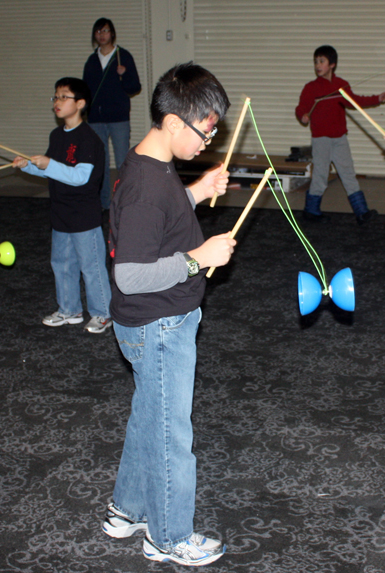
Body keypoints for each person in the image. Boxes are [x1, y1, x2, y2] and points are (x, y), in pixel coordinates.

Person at [102, 62, 236, 567]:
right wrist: (198, 259)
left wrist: (198, 191)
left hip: (156, 321)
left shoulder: (152, 168)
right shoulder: (144, 187)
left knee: (147, 418)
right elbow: (130, 275)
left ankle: (127, 509)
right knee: (169, 432)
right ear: (175, 123)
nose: (211, 140)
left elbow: (162, 212)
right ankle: (168, 536)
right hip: (157, 325)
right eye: (206, 130)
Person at [13, 77, 112, 334]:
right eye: (55, 97)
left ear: (80, 103)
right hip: (60, 212)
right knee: (62, 263)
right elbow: (52, 171)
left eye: (63, 97)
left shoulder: (89, 139)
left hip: (83, 215)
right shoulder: (57, 135)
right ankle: (69, 310)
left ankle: (102, 313)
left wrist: (49, 164)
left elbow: (80, 177)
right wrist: (31, 166)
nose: (57, 102)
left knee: (91, 267)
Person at [295, 45, 385, 225]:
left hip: (340, 139)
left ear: (332, 64)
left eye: (322, 61)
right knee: (320, 175)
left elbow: (355, 101)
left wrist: (378, 98)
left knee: (348, 173)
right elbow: (301, 108)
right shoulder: (310, 88)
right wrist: (303, 116)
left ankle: (362, 212)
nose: (318, 65)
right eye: (316, 62)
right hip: (321, 139)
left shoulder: (340, 85)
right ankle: (311, 211)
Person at [83, 18, 141, 210]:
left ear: (112, 34)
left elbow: (134, 87)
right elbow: (85, 91)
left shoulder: (123, 56)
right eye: (99, 31)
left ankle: (125, 201)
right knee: (101, 162)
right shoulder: (92, 61)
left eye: (106, 31)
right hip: (96, 119)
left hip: (119, 119)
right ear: (95, 35)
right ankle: (104, 202)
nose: (102, 35)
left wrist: (124, 75)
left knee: (123, 161)